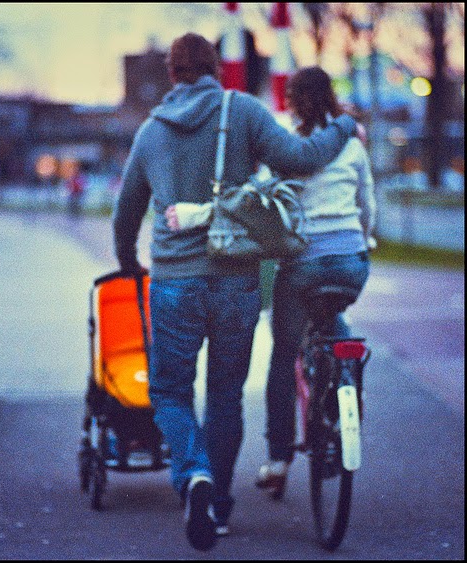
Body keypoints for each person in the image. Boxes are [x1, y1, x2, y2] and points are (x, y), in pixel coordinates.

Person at [112, 34, 359, 551]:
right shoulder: (241, 111)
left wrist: (129, 262)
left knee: (170, 391)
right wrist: (342, 125)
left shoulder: (151, 131)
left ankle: (194, 475)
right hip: (235, 278)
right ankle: (219, 506)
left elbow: (126, 212)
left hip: (174, 282)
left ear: (173, 72)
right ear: (214, 69)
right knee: (225, 394)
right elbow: (302, 157)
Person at [164, 66, 377, 500]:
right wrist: (365, 238)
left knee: (284, 355)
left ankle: (278, 458)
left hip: (303, 266)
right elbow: (367, 203)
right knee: (334, 320)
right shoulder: (353, 146)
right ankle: (347, 395)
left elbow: (250, 198)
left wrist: (199, 213)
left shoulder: (287, 147)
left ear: (293, 101)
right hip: (351, 261)